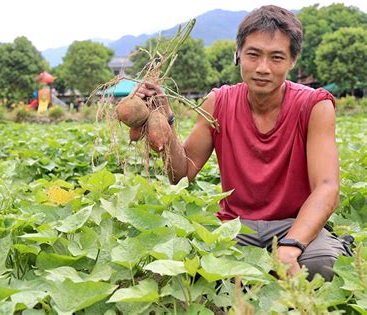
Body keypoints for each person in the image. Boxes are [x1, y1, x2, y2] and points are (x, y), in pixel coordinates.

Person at [135, 5, 348, 281]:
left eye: (276, 58)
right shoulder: (218, 102)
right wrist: (164, 122)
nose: (262, 68)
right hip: (236, 228)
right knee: (188, 267)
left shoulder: (314, 106)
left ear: (292, 61)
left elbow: (327, 187)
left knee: (323, 264)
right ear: (238, 54)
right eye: (253, 54)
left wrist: (291, 246)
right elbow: (181, 174)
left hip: (294, 224)